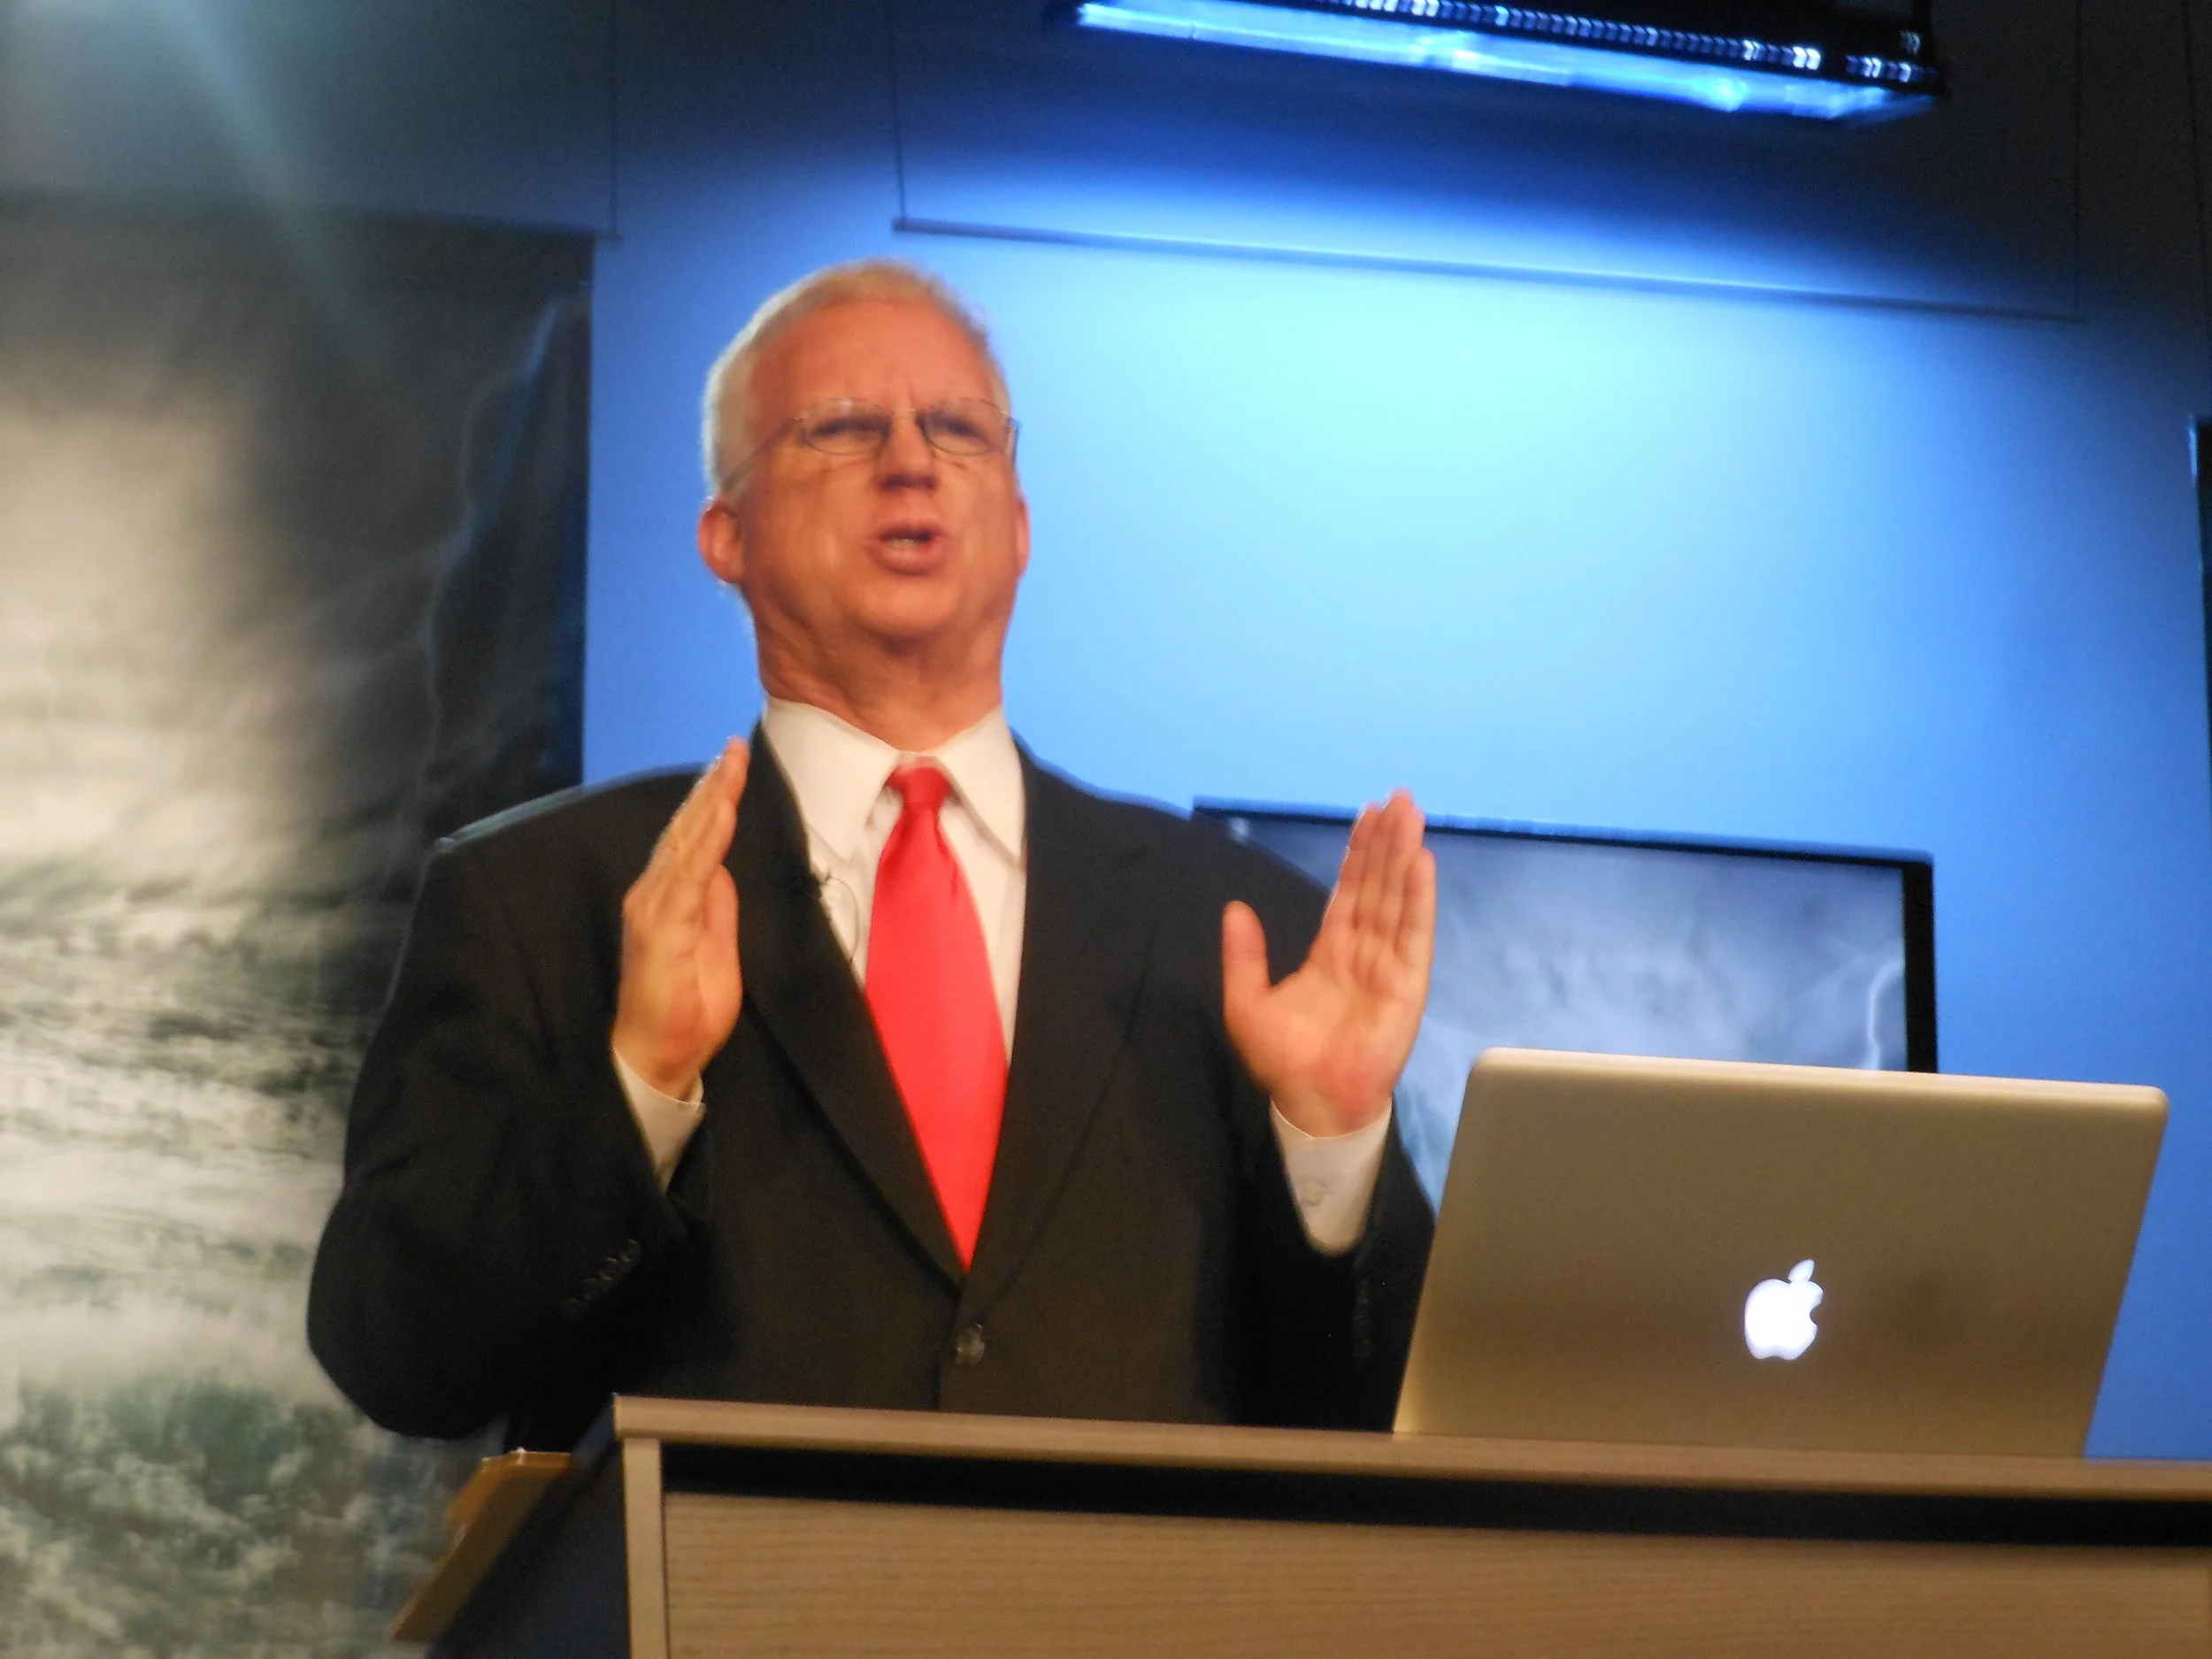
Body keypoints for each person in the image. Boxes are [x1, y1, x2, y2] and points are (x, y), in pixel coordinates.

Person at [308, 260, 1438, 1449]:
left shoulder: (1243, 933)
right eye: (842, 428)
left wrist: (1334, 1140)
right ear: (726, 535)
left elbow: (1391, 1422)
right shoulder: (542, 902)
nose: (911, 461)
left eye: (960, 429)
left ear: (1020, 528)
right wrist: (638, 1084)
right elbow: (395, 1351)